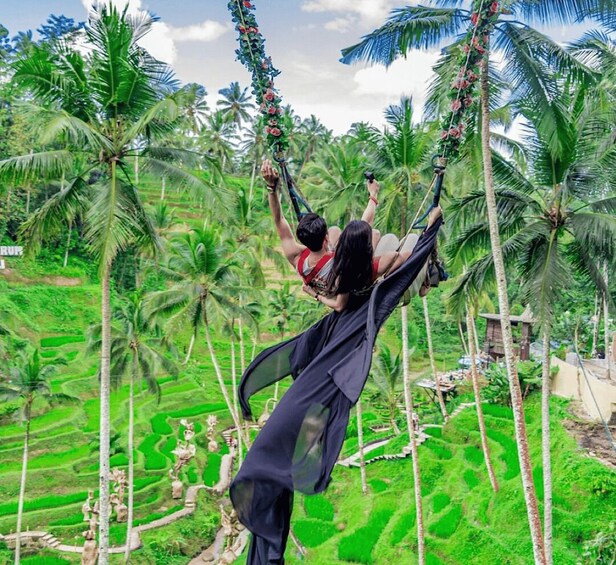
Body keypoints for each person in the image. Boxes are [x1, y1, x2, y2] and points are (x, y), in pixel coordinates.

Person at [230, 211, 444, 564]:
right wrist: (430, 227)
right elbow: (407, 256)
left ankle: (275, 469)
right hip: (350, 332)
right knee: (310, 401)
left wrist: (315, 291)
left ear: (341, 249)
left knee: (300, 404)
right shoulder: (376, 266)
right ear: (366, 250)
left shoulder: (335, 270)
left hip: (341, 331)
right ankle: (431, 276)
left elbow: (294, 233)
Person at [261, 159, 380, 295]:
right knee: (375, 234)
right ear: (326, 238)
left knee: (335, 230)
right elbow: (364, 226)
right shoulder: (338, 260)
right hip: (350, 287)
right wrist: (373, 194)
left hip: (324, 287)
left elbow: (279, 220)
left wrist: (271, 187)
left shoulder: (296, 257)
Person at [302, 206, 443, 311]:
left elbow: (338, 304)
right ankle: (427, 281)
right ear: (368, 247)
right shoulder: (382, 262)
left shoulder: (339, 267)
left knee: (389, 238)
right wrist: (431, 225)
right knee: (412, 239)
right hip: (400, 290)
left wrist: (315, 294)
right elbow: (413, 255)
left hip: (364, 285)